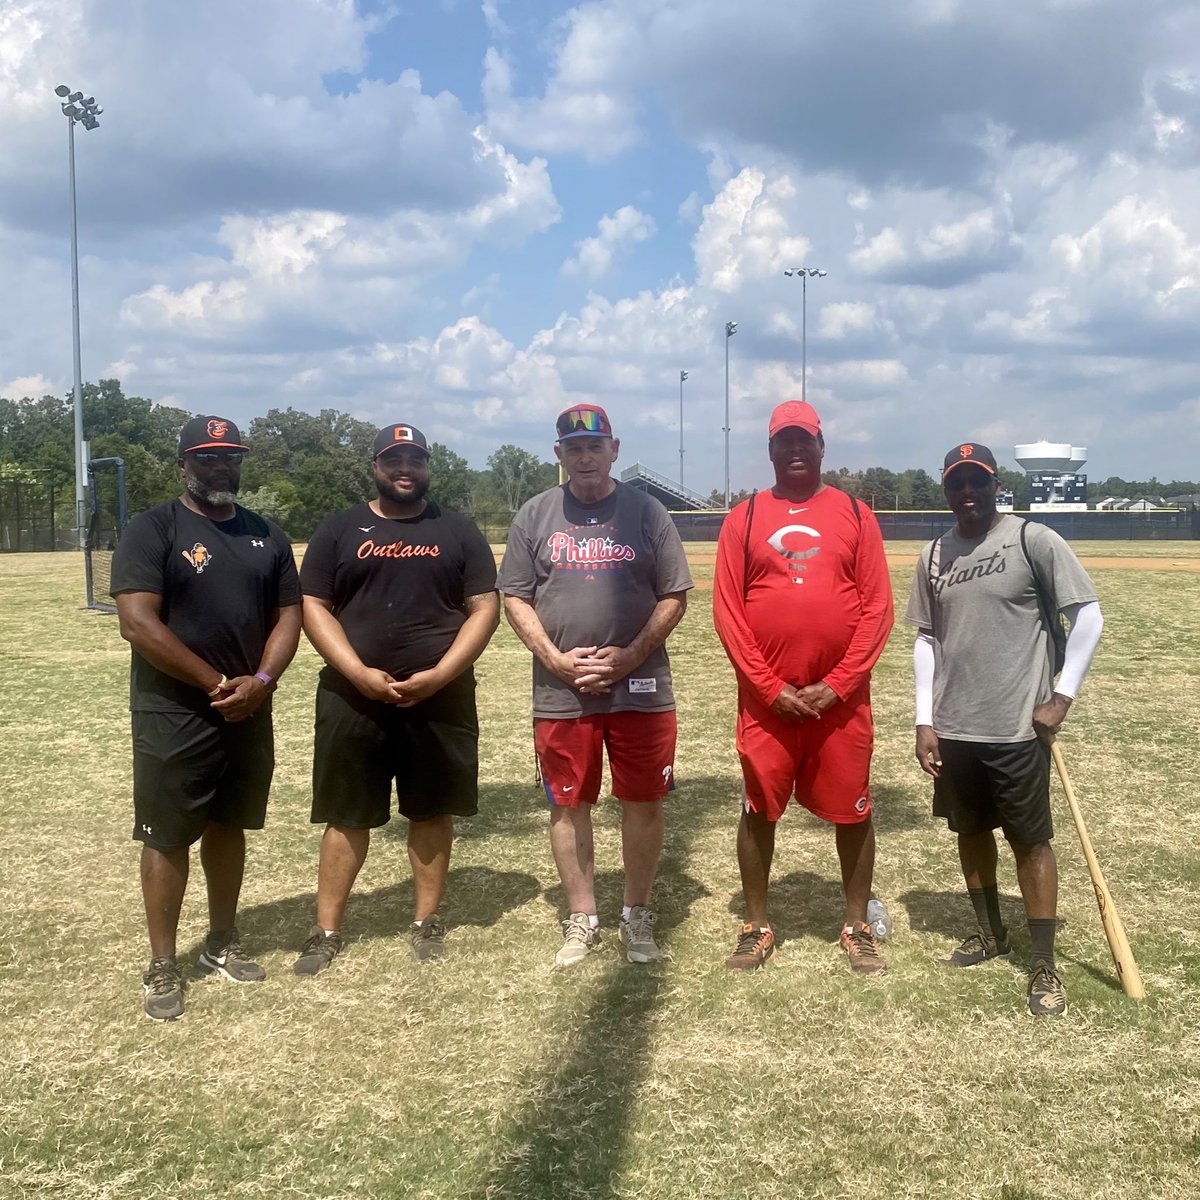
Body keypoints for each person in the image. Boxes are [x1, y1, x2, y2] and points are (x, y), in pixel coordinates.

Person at [111, 415, 302, 1022]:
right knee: (167, 833)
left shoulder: (265, 533)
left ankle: (221, 941)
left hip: (248, 706)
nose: (221, 467)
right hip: (174, 710)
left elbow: (289, 617)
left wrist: (261, 682)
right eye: (207, 456)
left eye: (230, 457)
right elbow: (137, 622)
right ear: (183, 465)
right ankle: (163, 961)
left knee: (228, 823)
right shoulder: (153, 529)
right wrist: (216, 684)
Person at [293, 422, 499, 975]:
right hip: (352, 695)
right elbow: (314, 606)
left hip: (441, 695)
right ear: (376, 467)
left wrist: (442, 674)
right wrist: (357, 672)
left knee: (430, 808)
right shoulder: (339, 529)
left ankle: (426, 920)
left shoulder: (457, 529)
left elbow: (485, 608)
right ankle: (326, 929)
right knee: (347, 814)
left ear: (428, 467)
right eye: (393, 460)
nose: (405, 469)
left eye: (415, 460)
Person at [905, 441, 1102, 1017]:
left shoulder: (1032, 540)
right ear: (946, 489)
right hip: (955, 727)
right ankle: (991, 934)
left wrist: (1062, 696)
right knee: (970, 831)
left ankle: (1042, 963)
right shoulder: (934, 555)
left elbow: (1087, 615)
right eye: (957, 482)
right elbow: (926, 638)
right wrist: (924, 719)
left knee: (1030, 841)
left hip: (1018, 729)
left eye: (978, 481)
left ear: (996, 485)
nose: (968, 492)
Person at [498, 404, 693, 967]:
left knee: (643, 800)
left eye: (596, 446)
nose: (585, 457)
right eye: (574, 448)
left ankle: (636, 911)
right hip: (563, 692)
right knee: (568, 803)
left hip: (641, 688)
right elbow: (515, 597)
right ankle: (582, 917)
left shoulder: (647, 512)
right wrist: (556, 661)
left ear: (615, 449)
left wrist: (630, 657)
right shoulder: (535, 515)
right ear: (559, 454)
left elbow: (674, 595)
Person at [713, 400, 894, 975]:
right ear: (770, 450)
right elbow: (728, 612)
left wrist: (836, 685)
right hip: (767, 705)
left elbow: (877, 611)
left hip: (840, 704)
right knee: (758, 808)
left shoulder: (857, 515)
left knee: (854, 810)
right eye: (784, 441)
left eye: (804, 440)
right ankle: (756, 925)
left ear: (821, 447)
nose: (795, 449)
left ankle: (856, 924)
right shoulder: (743, 519)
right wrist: (770, 689)